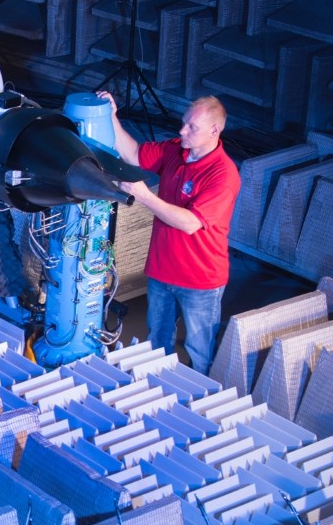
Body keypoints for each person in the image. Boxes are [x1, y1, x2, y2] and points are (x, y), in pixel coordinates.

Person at [94, 92, 239, 379]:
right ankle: (158, 393)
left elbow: (190, 223)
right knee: (157, 345)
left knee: (200, 352)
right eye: (183, 123)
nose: (182, 131)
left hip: (200, 281)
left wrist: (145, 196)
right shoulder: (176, 149)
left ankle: (199, 407)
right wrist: (112, 117)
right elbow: (134, 154)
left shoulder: (223, 175)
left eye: (191, 128)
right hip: (162, 273)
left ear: (214, 131)